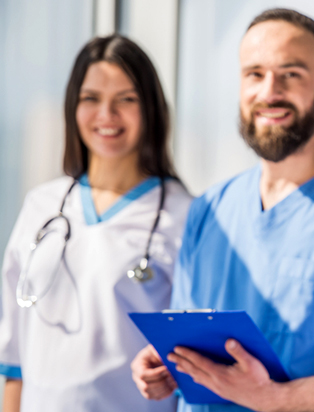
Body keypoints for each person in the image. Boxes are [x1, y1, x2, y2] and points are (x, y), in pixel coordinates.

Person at [130, 8, 314, 412]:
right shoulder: (208, 209)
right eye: (255, 74)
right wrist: (166, 366)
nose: (269, 92)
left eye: (291, 74)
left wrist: (274, 399)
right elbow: (186, 331)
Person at [0, 35, 192, 412]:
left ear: (150, 109)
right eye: (91, 99)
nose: (107, 115)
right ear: (73, 106)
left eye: (126, 99)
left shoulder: (183, 216)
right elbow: (14, 359)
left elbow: (191, 356)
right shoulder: (42, 205)